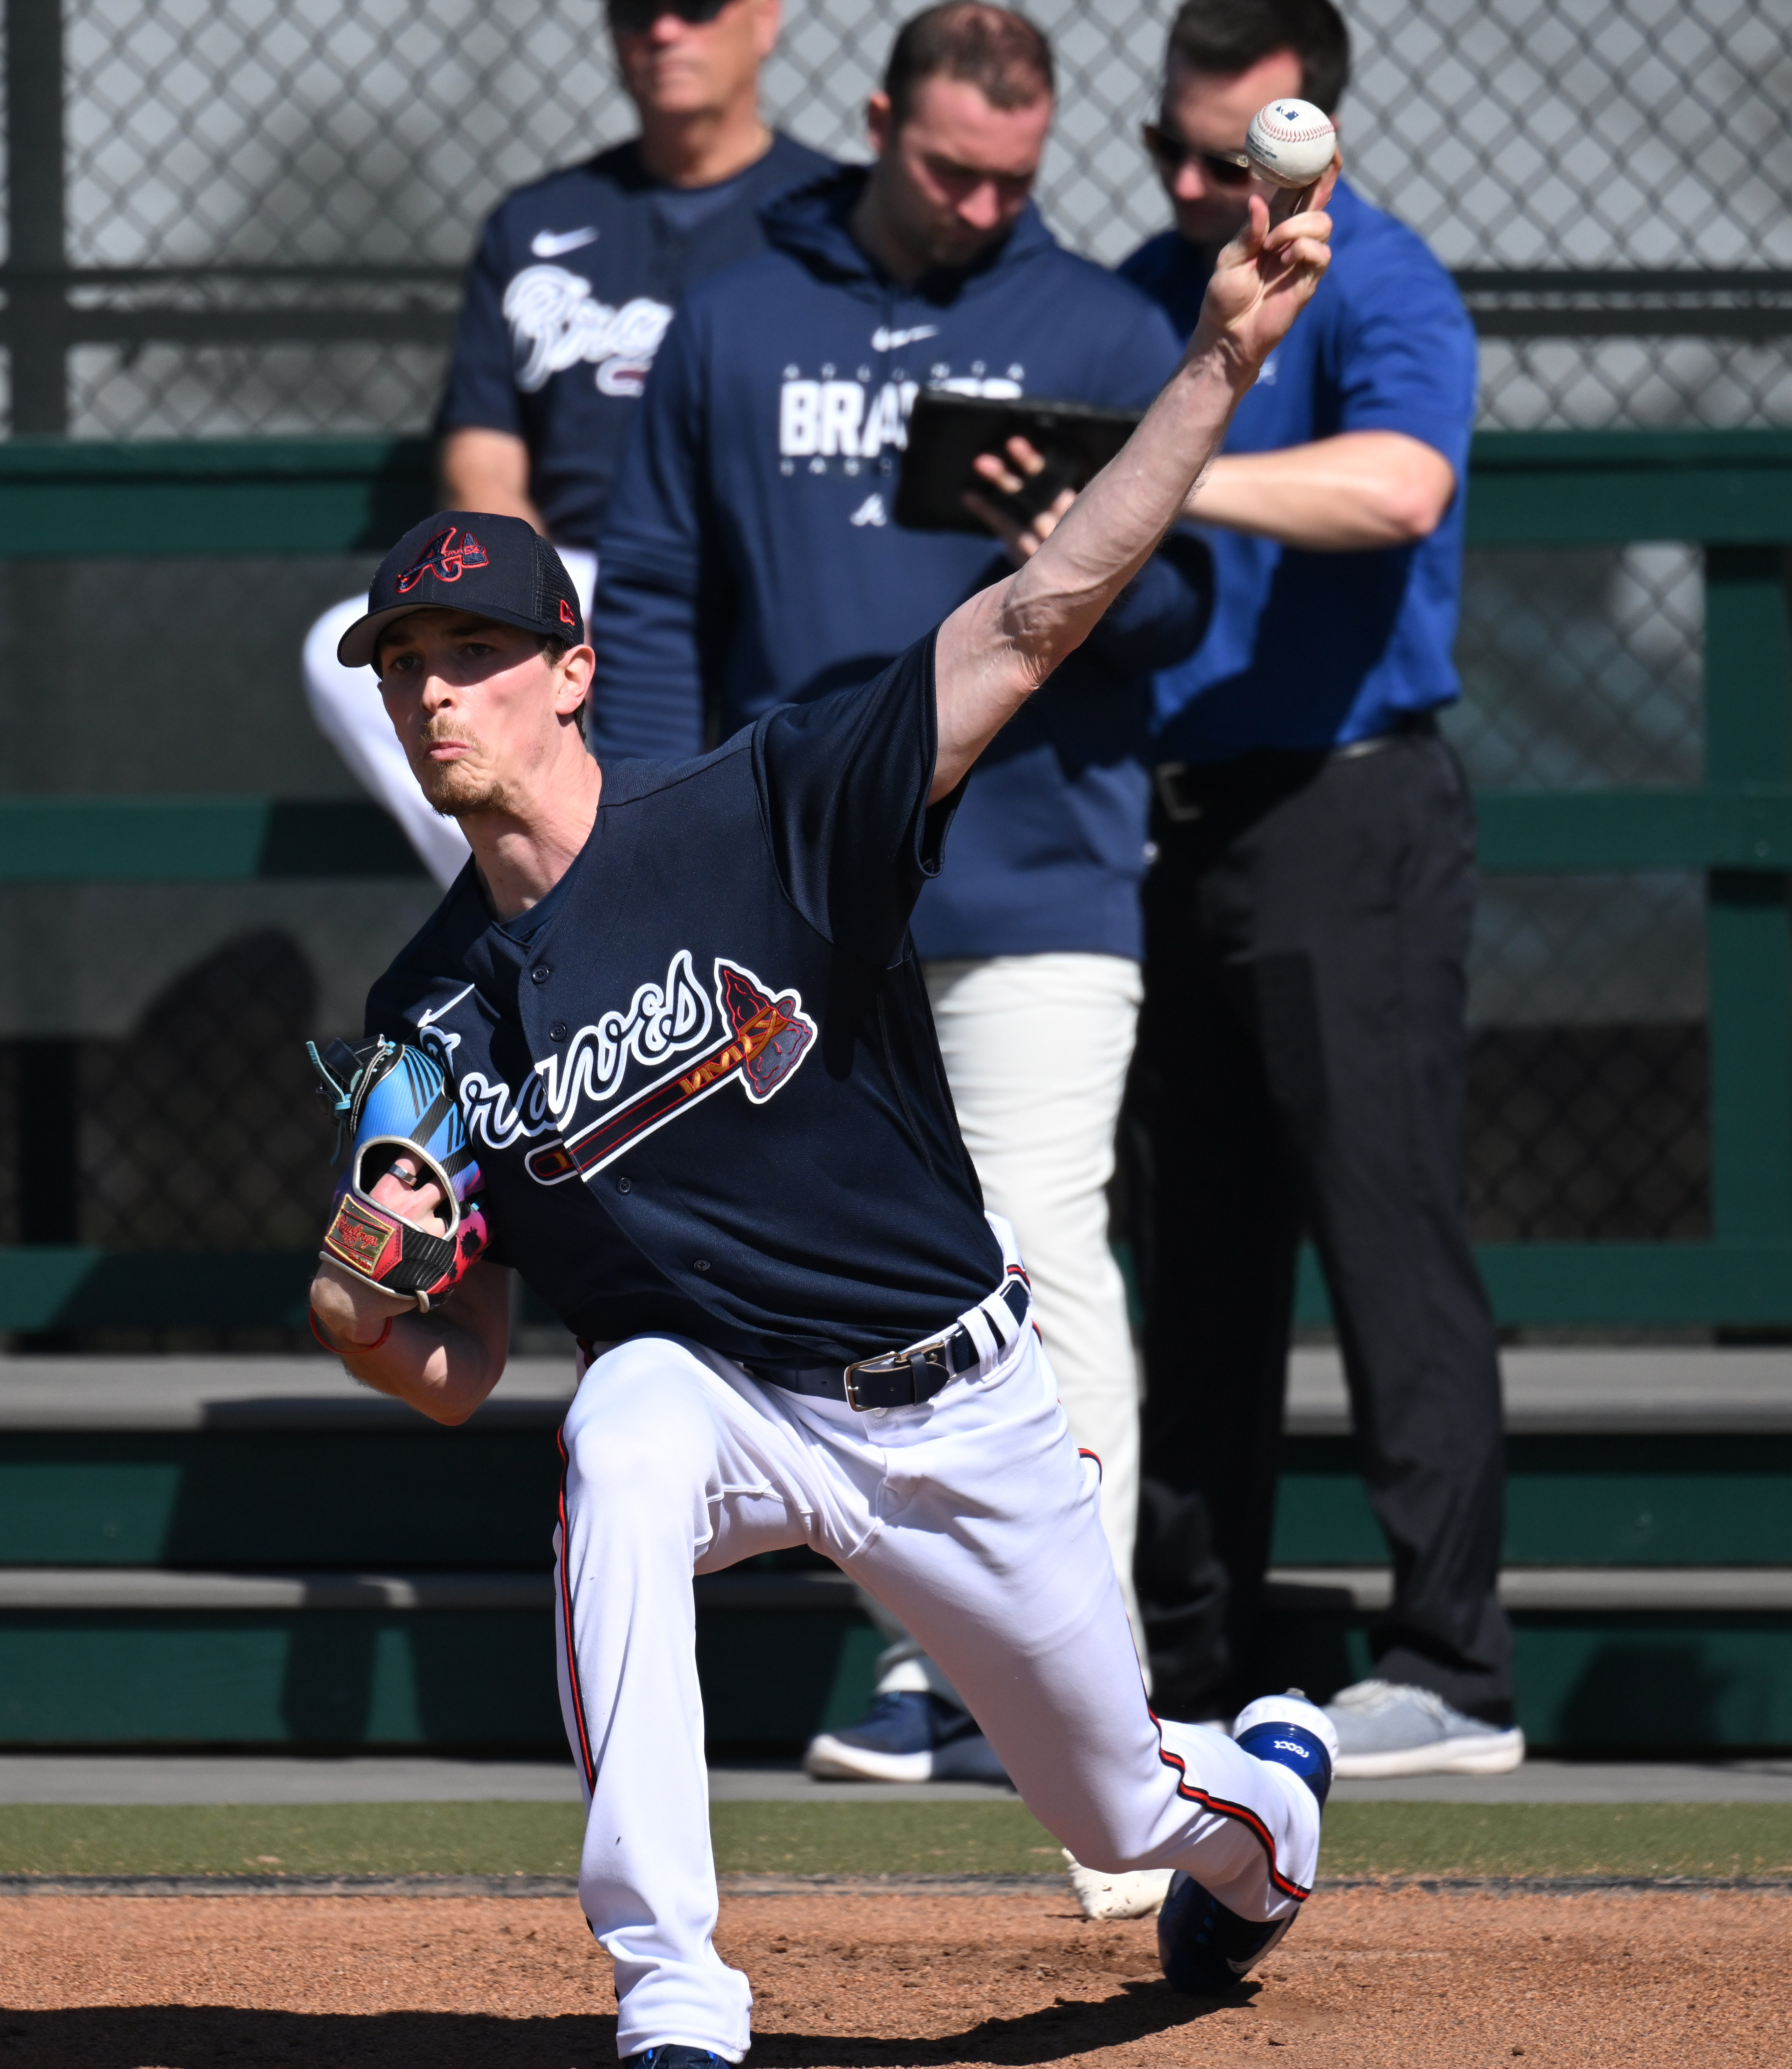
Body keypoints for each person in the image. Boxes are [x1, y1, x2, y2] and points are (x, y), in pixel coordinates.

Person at [300, 160, 1335, 2067]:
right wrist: (365, 1318)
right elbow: (459, 1365)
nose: (437, 697)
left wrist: (1210, 362)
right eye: (406, 666)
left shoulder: (768, 806)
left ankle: (1272, 1802)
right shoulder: (433, 1010)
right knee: (616, 1426)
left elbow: (1036, 613)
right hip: (731, 1406)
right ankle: (675, 1982)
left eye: (474, 655)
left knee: (1132, 1813)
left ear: (571, 671)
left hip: (950, 1395)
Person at [588, 0, 1208, 1786]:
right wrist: (645, 828)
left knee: (1039, 1255)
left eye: (1017, 175)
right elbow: (650, 593)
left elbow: (1187, 615)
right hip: (798, 898)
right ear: (873, 122)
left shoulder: (1099, 320)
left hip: (1034, 870)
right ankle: (927, 1665)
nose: (987, 204)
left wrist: (1071, 556)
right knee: (867, 1293)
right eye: (951, 169)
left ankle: (1081, 1676)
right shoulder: (734, 315)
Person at [1121, 0, 1520, 1780]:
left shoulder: (1386, 285)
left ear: (1314, 146)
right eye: (1175, 151)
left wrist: (1171, 471)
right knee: (1193, 1265)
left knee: (1386, 1231)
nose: (1201, 184)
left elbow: (1402, 483)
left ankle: (1450, 1664)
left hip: (1350, 816)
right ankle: (1182, 1665)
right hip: (1168, 825)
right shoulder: (1145, 281)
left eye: (1236, 157)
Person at [299, 0, 831, 882]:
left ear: (765, 19)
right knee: (337, 654)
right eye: (635, 11)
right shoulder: (536, 221)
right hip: (575, 567)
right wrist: (545, 609)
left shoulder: (829, 217)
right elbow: (483, 455)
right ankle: (551, 891)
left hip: (757, 564)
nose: (662, 31)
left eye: (695, 8)